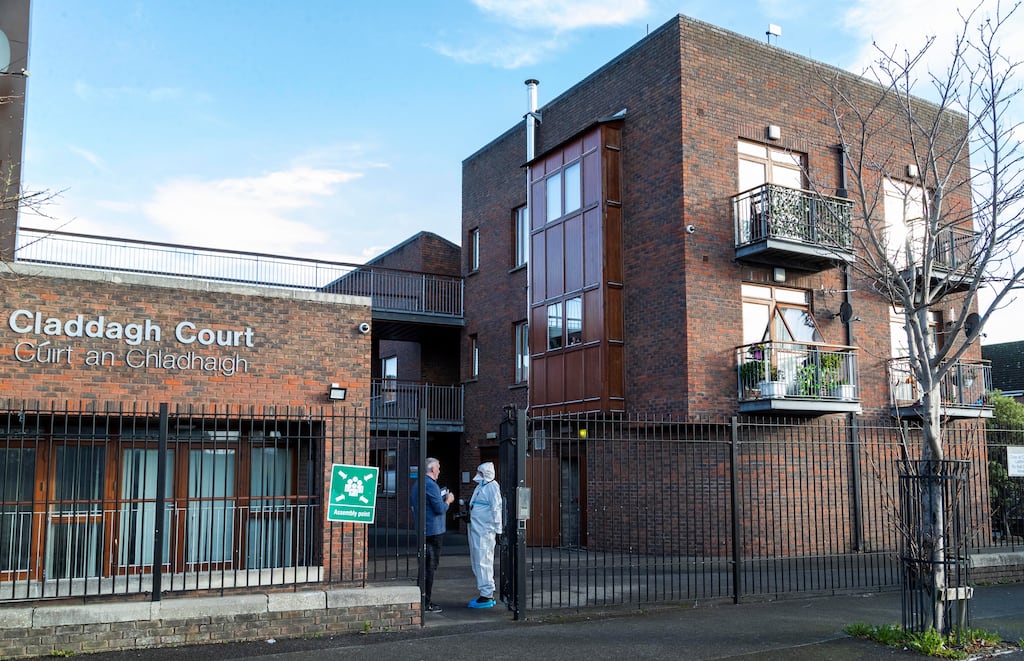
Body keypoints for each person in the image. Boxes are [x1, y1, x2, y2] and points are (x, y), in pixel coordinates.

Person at [410, 457, 454, 613]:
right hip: (433, 531)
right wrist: (448, 500)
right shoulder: (431, 485)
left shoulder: (418, 485)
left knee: (425, 566)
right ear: (433, 469)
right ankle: (425, 601)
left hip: (423, 530)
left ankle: (421, 598)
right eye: (439, 467)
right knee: (429, 567)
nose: (440, 470)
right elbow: (439, 509)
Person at [466, 461, 503, 608]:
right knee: (477, 560)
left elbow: (496, 510)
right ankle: (484, 591)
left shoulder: (492, 487)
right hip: (477, 529)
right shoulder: (481, 487)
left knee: (484, 561)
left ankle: (487, 594)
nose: (478, 474)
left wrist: (498, 530)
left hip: (485, 532)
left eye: (480, 472)